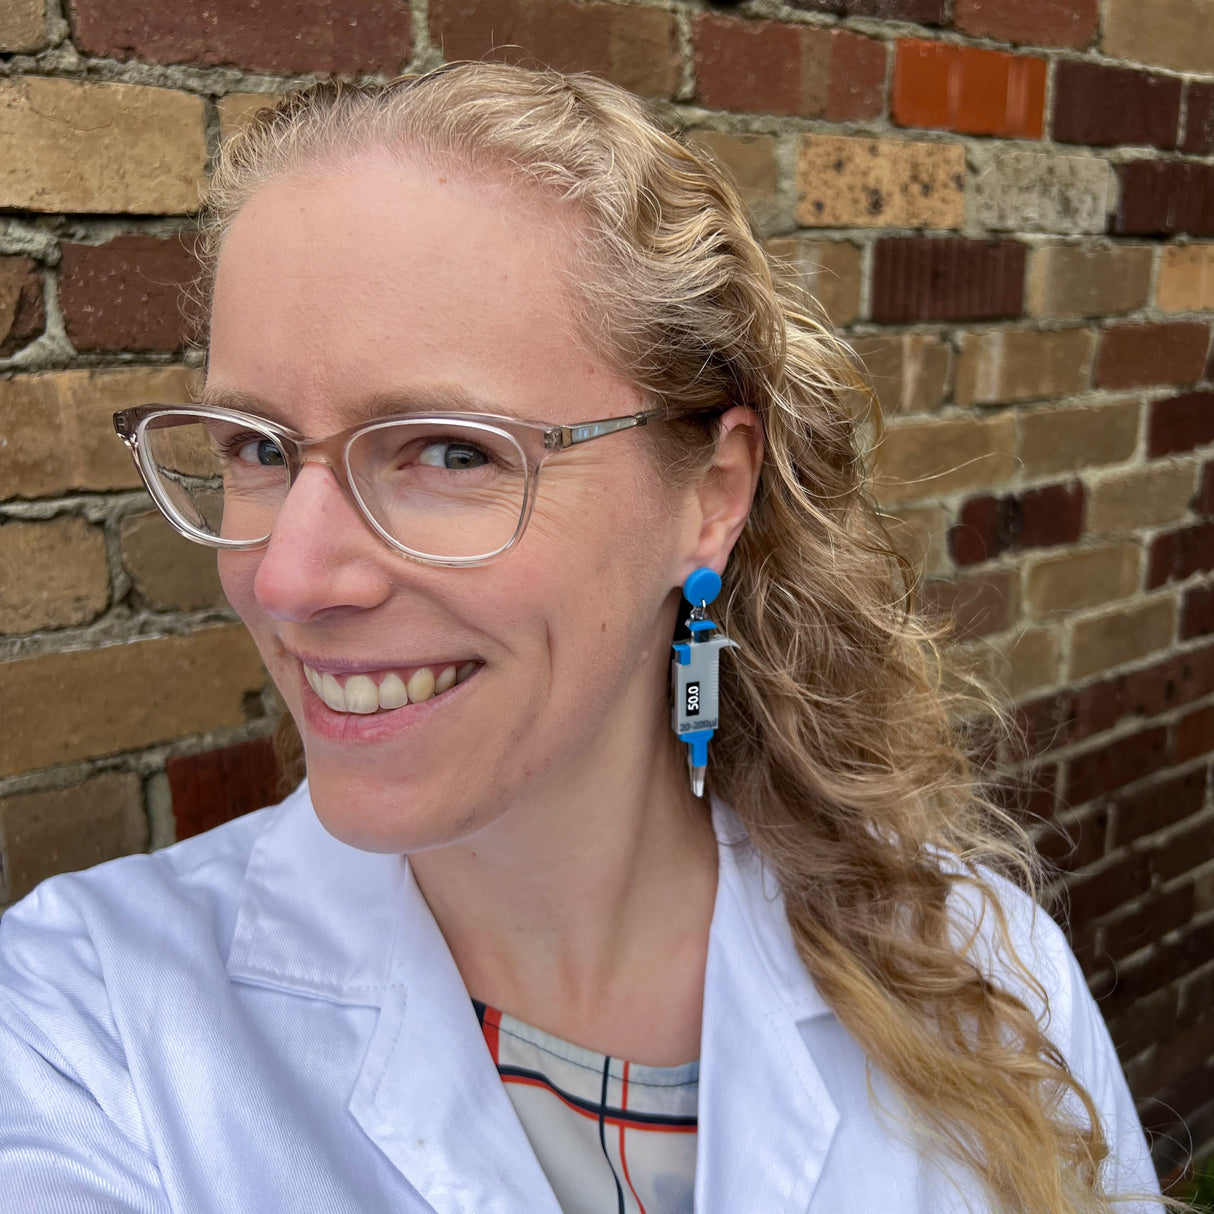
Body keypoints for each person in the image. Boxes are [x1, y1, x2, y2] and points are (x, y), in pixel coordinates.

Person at [0, 63, 1168, 1214]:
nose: (290, 577)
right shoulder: (77, 1019)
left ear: (711, 492)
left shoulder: (981, 979)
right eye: (257, 446)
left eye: (450, 450)